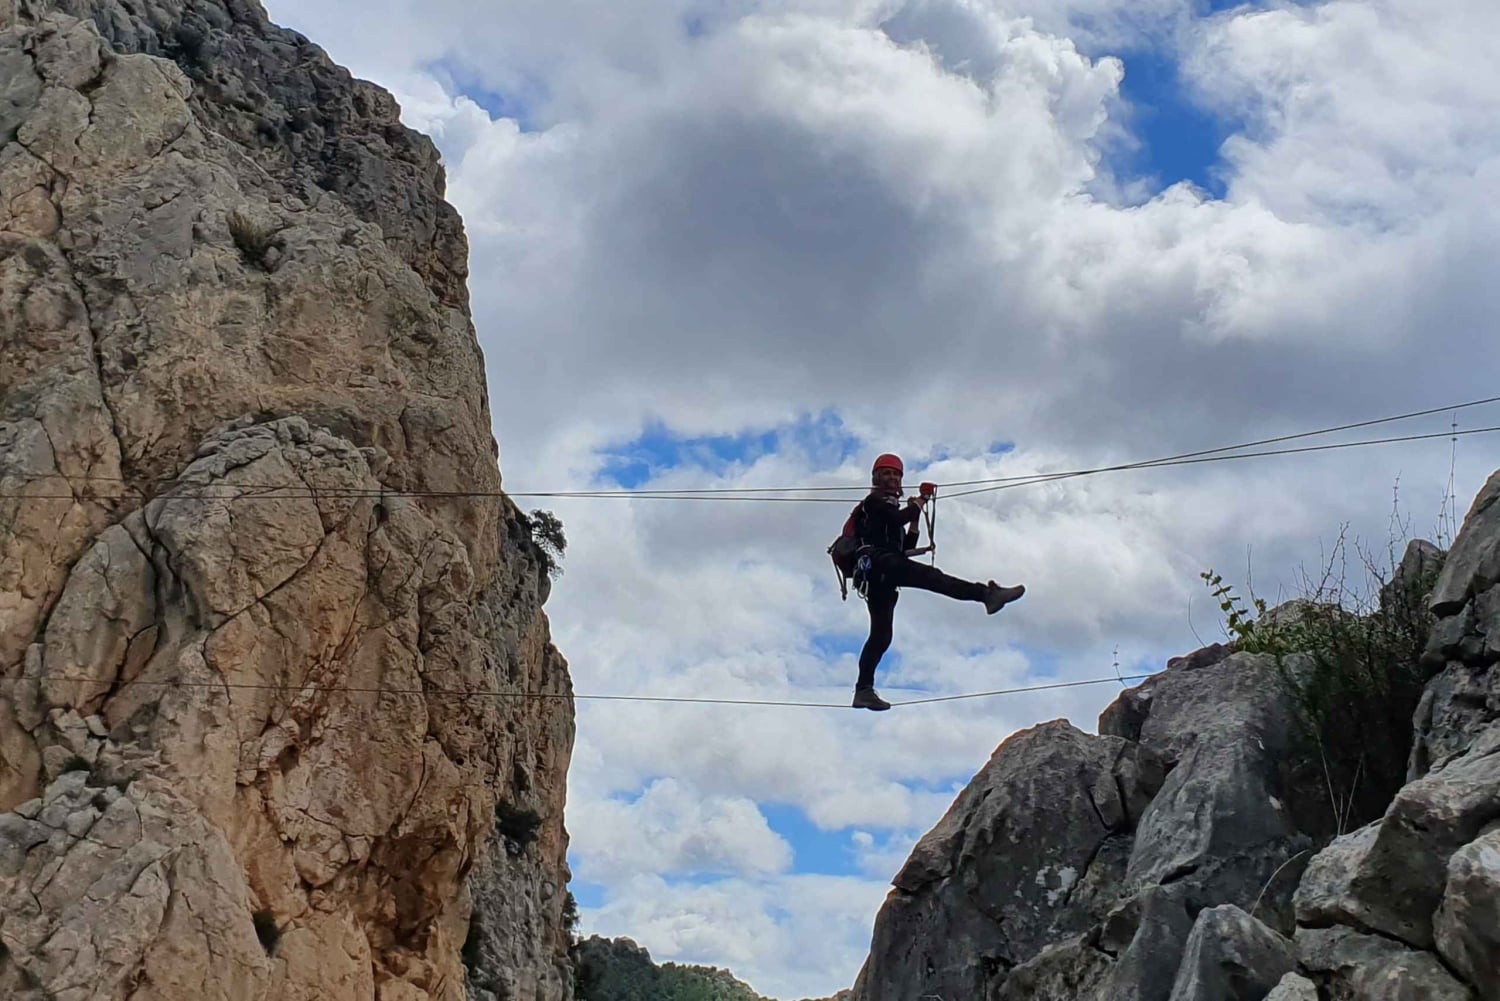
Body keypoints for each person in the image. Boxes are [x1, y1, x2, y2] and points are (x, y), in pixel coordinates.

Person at [851, 453, 1025, 711]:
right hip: (880, 565)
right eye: (886, 473)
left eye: (896, 474)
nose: (891, 478)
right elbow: (894, 521)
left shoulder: (888, 509)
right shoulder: (873, 502)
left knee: (881, 635)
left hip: (882, 574)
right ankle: (986, 595)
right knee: (935, 579)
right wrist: (919, 502)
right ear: (876, 477)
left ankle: (863, 690)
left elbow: (904, 546)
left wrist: (914, 518)